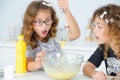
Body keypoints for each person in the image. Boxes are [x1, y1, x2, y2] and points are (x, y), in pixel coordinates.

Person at [21, 0, 80, 72]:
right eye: (39, 22)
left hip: (58, 74)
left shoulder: (54, 35)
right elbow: (28, 65)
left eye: (48, 20)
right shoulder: (28, 41)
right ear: (31, 22)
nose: (44, 26)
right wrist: (39, 63)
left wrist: (66, 10)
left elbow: (75, 34)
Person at [83, 4, 120, 80]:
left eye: (99, 27)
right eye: (95, 26)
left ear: (114, 28)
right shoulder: (103, 47)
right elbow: (86, 67)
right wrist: (94, 73)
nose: (94, 30)